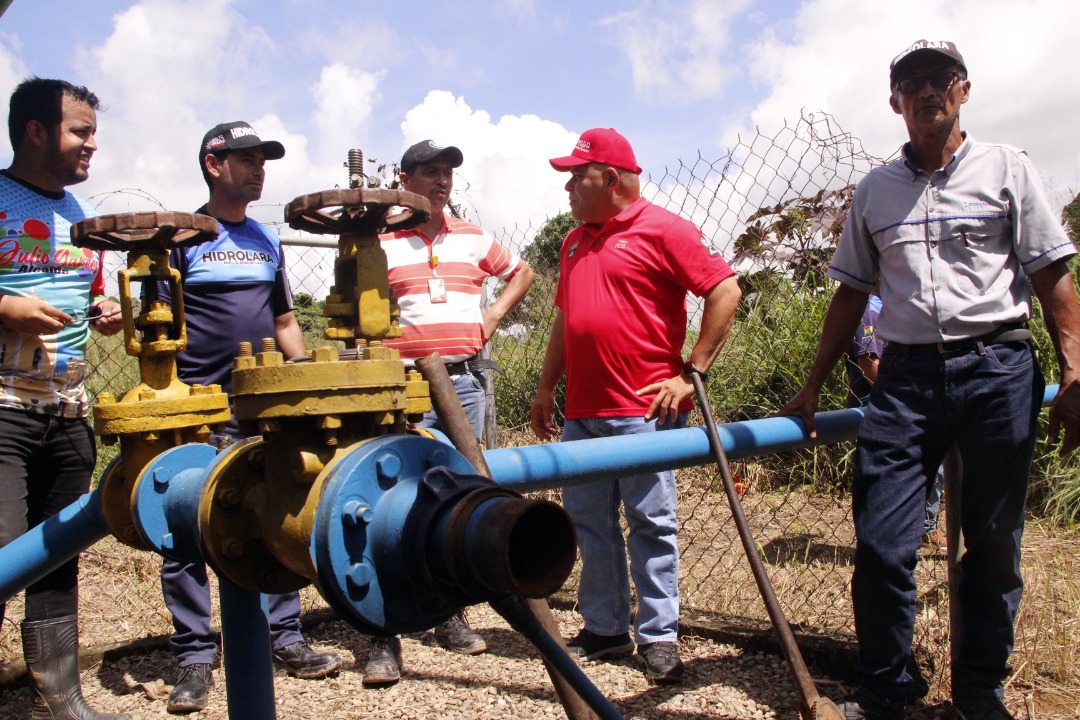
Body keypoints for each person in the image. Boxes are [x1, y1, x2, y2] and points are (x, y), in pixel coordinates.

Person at [777, 40, 1080, 720]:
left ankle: (979, 693)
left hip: (997, 364)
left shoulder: (1007, 169)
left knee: (994, 543)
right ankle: (887, 693)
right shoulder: (876, 191)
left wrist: (1074, 368)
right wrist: (813, 385)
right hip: (905, 378)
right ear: (895, 103)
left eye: (939, 79)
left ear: (963, 89)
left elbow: (1052, 276)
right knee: (883, 545)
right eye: (910, 84)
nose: (926, 92)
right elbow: (851, 293)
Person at [530, 128, 741, 684]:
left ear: (614, 179)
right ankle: (604, 629)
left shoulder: (664, 229)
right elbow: (564, 319)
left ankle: (659, 637)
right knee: (589, 521)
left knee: (650, 522)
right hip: (583, 410)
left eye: (579, 175)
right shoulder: (574, 241)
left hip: (643, 411)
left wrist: (690, 373)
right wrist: (548, 385)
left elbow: (725, 290)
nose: (570, 186)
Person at [157, 121, 343, 714]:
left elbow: (285, 322)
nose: (258, 168)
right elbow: (160, 325)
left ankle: (284, 638)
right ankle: (194, 656)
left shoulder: (265, 240)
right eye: (245, 158)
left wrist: (312, 382)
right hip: (196, 404)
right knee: (187, 524)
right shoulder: (182, 237)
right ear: (214, 164)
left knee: (276, 513)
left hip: (264, 405)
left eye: (262, 159)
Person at [360, 139, 534, 686]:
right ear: (404, 178)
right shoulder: (382, 243)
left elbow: (521, 273)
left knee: (458, 495)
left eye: (447, 173)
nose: (441, 181)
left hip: (463, 381)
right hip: (401, 387)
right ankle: (381, 634)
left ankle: (450, 614)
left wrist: (492, 317)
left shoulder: (473, 238)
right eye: (430, 172)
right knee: (386, 496)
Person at [0, 77, 127, 720]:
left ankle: (60, 693)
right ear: (35, 131)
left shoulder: (80, 215)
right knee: (2, 551)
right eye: (81, 131)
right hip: (3, 409)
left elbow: (89, 291)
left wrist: (105, 309)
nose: (91, 145)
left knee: (57, 555)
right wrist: (5, 306)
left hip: (67, 410)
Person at [844, 294, 945, 550]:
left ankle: (921, 528)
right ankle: (906, 533)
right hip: (878, 400)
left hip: (898, 399)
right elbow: (868, 363)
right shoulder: (869, 309)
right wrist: (900, 400)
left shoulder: (893, 305)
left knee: (932, 466)